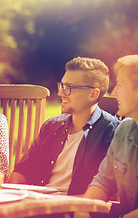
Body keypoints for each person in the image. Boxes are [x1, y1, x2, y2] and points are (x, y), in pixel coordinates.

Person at [7, 57, 120, 195]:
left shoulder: (113, 133)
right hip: (36, 206)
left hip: (74, 209)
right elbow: (23, 170)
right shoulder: (51, 126)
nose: (61, 93)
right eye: (62, 86)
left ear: (93, 94)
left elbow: (107, 190)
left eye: (69, 88)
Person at [83, 55, 138, 217]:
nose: (114, 92)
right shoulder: (124, 130)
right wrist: (84, 207)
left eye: (120, 85)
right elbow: (104, 182)